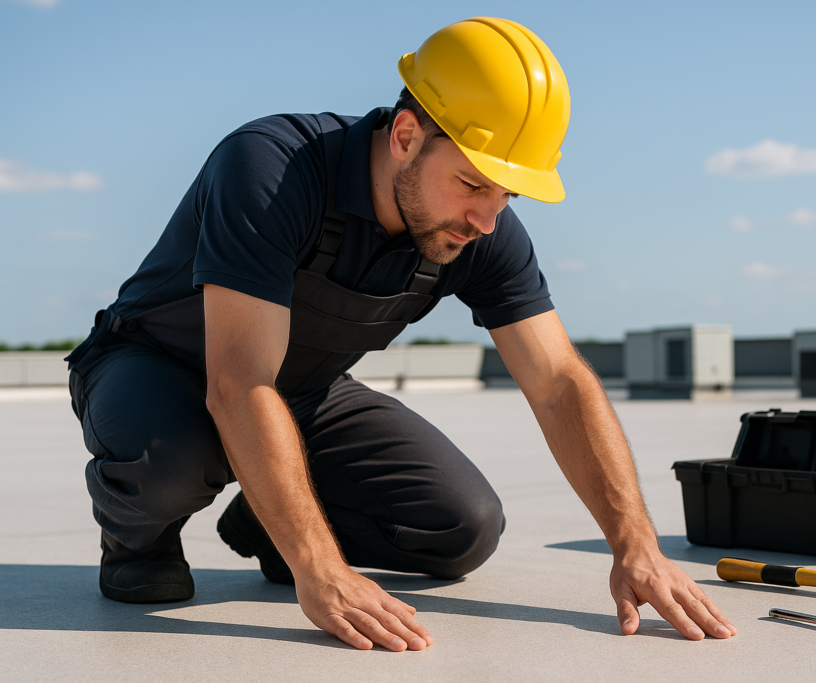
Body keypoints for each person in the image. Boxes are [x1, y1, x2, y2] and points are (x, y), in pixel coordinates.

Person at [66, 17, 736, 651]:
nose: (485, 218)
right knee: (171, 463)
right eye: (472, 182)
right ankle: (138, 542)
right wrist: (319, 568)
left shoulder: (481, 229)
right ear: (407, 134)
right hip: (155, 367)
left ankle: (267, 521)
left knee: (462, 526)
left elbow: (559, 382)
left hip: (303, 391)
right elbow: (239, 382)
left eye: (508, 194)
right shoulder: (272, 169)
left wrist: (635, 543)